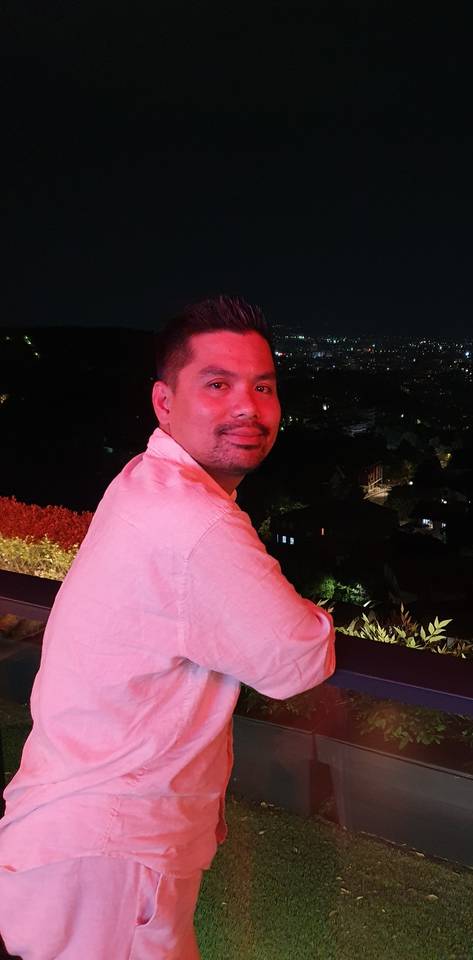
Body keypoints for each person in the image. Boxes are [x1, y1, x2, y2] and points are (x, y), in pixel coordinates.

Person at [0, 296, 335, 959]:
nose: (248, 407)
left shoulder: (143, 482)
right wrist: (321, 617)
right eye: (217, 385)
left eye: (262, 387)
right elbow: (296, 659)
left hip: (75, 837)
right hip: (111, 858)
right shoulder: (195, 522)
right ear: (164, 402)